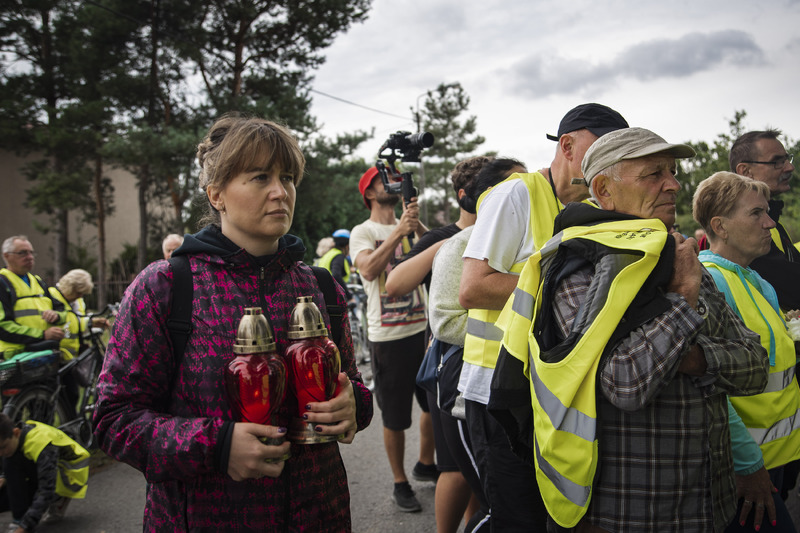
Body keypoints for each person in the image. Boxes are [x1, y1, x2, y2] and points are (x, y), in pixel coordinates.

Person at [93, 115, 373, 531]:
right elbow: (114, 419)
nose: (281, 192)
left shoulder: (321, 286)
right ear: (217, 194)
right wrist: (217, 445)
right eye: (260, 177)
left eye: (288, 177)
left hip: (321, 512)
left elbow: (352, 386)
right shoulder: (166, 286)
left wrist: (354, 407)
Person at [493, 127, 769, 532]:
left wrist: (693, 359)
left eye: (672, 172)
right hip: (627, 513)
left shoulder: (677, 253)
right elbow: (624, 384)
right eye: (653, 174)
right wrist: (682, 300)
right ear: (604, 190)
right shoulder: (576, 269)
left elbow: (756, 365)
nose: (673, 184)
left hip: (709, 506)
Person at [457, 103, 628, 532]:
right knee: (518, 518)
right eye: (600, 150)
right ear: (567, 145)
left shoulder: (596, 206)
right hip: (502, 391)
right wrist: (555, 288)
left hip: (555, 392)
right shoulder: (516, 193)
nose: (608, 163)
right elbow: (473, 287)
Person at [693, 171, 800, 533]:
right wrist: (748, 463)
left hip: (778, 458)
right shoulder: (710, 282)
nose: (770, 222)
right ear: (720, 226)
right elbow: (708, 385)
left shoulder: (756, 280)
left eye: (767, 212)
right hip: (746, 468)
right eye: (756, 214)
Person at [426, 157, 528, 533]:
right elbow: (446, 321)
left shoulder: (533, 238)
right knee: (493, 497)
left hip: (513, 376)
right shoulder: (461, 246)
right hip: (467, 379)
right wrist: (521, 327)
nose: (527, 194)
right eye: (516, 187)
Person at [349, 165, 431, 512]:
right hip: (388, 337)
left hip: (424, 331)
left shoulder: (410, 226)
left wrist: (417, 225)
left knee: (433, 405)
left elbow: (441, 247)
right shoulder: (362, 231)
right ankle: (400, 482)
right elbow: (367, 269)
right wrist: (399, 231)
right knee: (395, 417)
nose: (394, 184)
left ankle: (426, 463)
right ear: (369, 192)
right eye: (385, 180)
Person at [729, 130, 798, 311]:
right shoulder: (742, 226)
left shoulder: (773, 219)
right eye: (777, 162)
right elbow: (791, 288)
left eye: (787, 159)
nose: (789, 168)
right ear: (745, 171)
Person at [0, 413, 89, 533]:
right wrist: (3, 476)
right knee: (9, 461)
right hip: (42, 472)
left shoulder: (41, 444)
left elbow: (46, 489)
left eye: (2, 447)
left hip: (69, 479)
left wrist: (26, 525)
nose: (0, 453)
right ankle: (18, 519)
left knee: (10, 460)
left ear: (16, 432)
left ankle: (60, 498)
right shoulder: (14, 440)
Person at [0, 236, 66, 359]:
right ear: (6, 256)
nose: (30, 257)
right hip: (14, 357)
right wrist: (43, 335)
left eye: (31, 253)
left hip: (44, 353)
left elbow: (62, 310)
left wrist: (56, 315)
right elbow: (3, 327)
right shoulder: (3, 283)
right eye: (22, 253)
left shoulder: (38, 281)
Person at [48, 269, 110, 361]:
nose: (80, 296)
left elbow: (76, 321)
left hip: (73, 356)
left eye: (83, 294)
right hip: (56, 354)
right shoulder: (51, 295)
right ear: (70, 287)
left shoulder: (78, 301)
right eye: (78, 292)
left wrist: (91, 322)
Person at [317, 229, 352, 300]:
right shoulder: (339, 256)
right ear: (347, 245)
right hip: (333, 296)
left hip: (322, 294)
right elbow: (336, 275)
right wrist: (348, 296)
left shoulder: (328, 254)